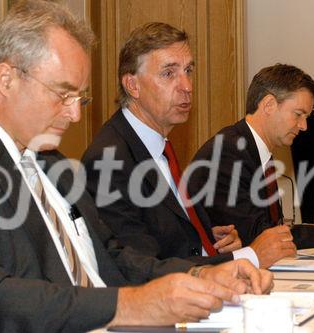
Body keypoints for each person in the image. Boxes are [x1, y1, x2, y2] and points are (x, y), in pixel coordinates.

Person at [0, 2, 272, 332]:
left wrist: (199, 274)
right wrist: (131, 305)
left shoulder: (53, 163)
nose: (75, 116)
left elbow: (112, 256)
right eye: (63, 94)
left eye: (80, 99)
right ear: (7, 78)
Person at [82, 22, 296, 269]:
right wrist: (249, 256)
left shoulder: (158, 146)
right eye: (169, 73)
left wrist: (209, 240)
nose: (187, 86)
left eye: (188, 70)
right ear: (133, 85)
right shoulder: (108, 160)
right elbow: (140, 267)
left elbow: (165, 234)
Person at [189, 64, 314, 248]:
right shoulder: (228, 153)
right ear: (269, 105)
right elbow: (259, 235)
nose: (304, 126)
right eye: (298, 114)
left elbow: (271, 228)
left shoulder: (252, 151)